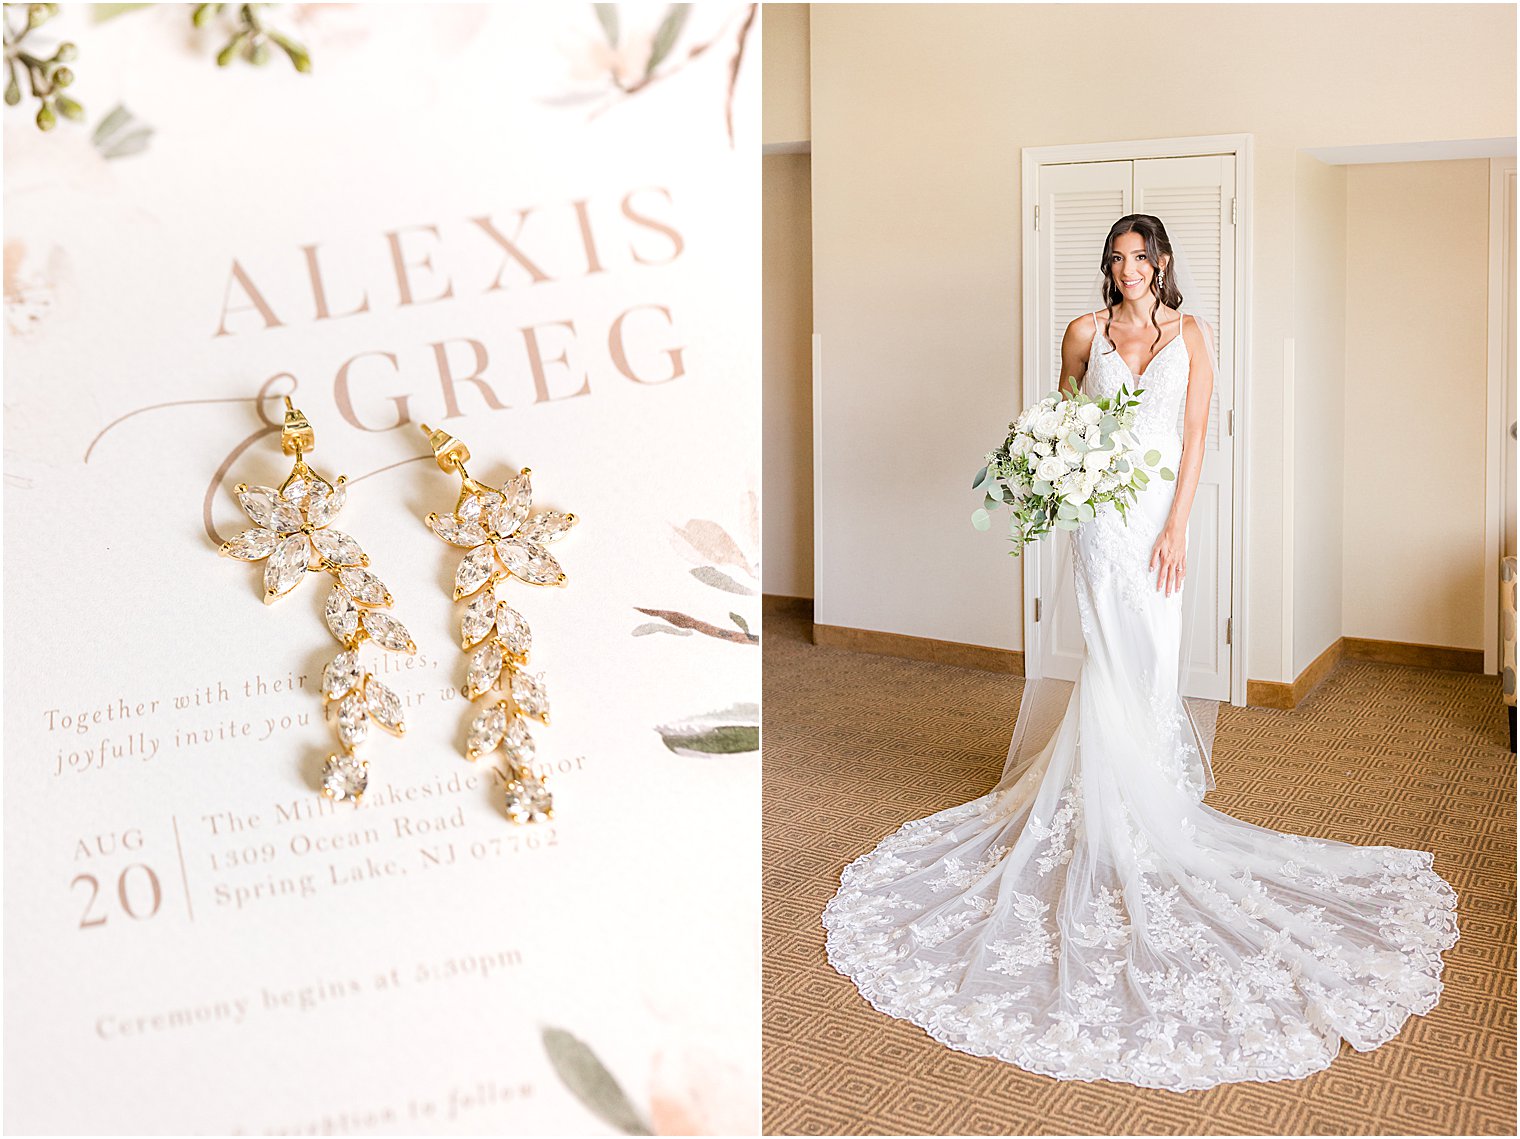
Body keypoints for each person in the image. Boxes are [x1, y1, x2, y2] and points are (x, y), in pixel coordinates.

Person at [821, 214, 1459, 1090]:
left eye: (1140, 257)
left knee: (1153, 662)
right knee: (1109, 659)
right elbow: (1060, 422)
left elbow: (1196, 440)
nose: (1127, 271)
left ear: (1161, 262)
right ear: (1109, 268)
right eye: (1115, 259)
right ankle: (1106, 810)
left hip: (1157, 520)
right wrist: (1054, 474)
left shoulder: (1190, 334)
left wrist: (1179, 530)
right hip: (1099, 523)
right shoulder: (1085, 332)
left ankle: (1152, 800)